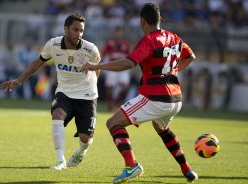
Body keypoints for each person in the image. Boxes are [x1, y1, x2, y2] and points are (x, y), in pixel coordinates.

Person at [81, 3, 198, 184]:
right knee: (162, 128)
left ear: (142, 21)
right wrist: (172, 73)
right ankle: (187, 169)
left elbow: (129, 63)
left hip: (155, 98)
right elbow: (190, 56)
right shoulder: (174, 37)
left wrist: (97, 66)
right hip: (175, 100)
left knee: (113, 123)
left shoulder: (149, 40)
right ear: (160, 19)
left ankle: (131, 165)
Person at [0, 14, 101, 170]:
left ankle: (81, 151)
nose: (79, 34)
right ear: (66, 29)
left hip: (87, 94)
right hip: (64, 92)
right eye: (75, 29)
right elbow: (37, 63)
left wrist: (94, 85)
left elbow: (97, 66)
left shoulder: (90, 49)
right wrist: (19, 80)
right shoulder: (53, 44)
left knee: (85, 138)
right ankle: (60, 161)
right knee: (57, 114)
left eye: (81, 30)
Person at [101, 26, 131, 112]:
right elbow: (103, 54)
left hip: (123, 68)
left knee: (125, 87)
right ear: (115, 33)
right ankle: (109, 106)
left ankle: (116, 103)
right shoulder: (110, 43)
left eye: (120, 33)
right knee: (110, 88)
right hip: (112, 68)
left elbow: (130, 57)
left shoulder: (126, 44)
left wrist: (132, 70)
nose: (118, 34)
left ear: (122, 34)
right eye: (117, 33)